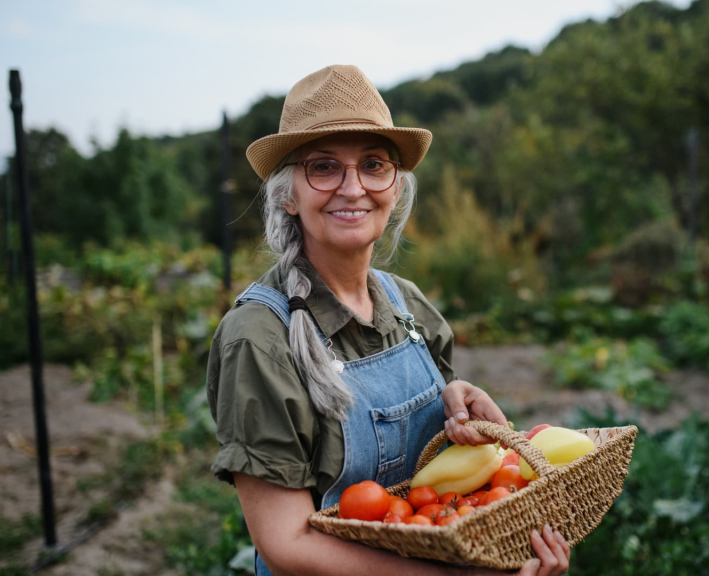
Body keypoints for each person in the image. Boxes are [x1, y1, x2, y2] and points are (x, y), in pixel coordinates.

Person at [206, 65, 570, 576]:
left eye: (374, 165)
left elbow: (436, 480)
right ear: (288, 194)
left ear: (395, 188)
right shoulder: (260, 337)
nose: (353, 187)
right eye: (324, 167)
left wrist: (458, 404)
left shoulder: (409, 305)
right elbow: (285, 543)